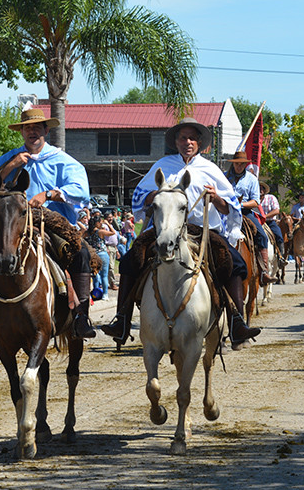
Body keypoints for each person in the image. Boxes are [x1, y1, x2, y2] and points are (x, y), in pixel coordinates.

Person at [99, 117, 261, 348]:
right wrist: (155, 195)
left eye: (193, 138)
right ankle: (122, 321)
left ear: (200, 143)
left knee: (236, 264)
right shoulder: (162, 165)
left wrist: (215, 197)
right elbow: (138, 196)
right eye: (183, 137)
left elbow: (230, 207)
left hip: (202, 231)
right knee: (128, 261)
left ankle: (237, 323)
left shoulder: (210, 169)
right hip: (164, 230)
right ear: (176, 141)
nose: (188, 142)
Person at [0, 105, 96, 339]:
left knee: (81, 253)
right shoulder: (7, 158)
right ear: (22, 133)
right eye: (27, 128)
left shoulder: (63, 161)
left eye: (37, 127)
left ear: (46, 130)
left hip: (51, 221)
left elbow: (81, 190)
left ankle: (81, 315)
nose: (32, 132)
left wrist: (49, 194)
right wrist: (11, 166)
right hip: (12, 224)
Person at [223, 149, 273, 284]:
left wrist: (241, 205)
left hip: (244, 212)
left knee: (262, 235)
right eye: (236, 163)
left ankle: (264, 271)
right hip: (224, 211)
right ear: (233, 164)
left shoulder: (252, 179)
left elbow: (256, 201)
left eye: (241, 164)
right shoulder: (224, 176)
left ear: (245, 164)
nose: (239, 166)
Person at [86, 212, 113, 301]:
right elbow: (112, 233)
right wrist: (108, 224)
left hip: (92, 255)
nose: (101, 223)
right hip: (102, 254)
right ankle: (105, 294)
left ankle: (94, 293)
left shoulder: (87, 233)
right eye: (100, 222)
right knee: (104, 275)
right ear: (97, 223)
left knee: (94, 275)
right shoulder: (100, 232)